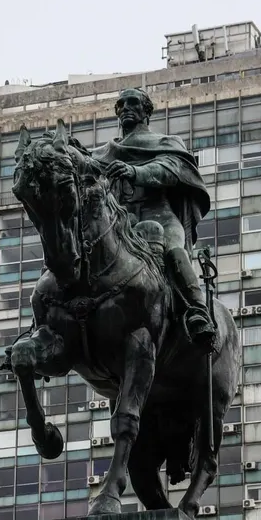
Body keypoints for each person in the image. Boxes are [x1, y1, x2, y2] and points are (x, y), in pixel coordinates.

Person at [91, 88, 216, 347]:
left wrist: (135, 171)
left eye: (133, 103)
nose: (126, 108)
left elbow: (170, 169)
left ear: (146, 111)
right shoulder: (103, 153)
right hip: (121, 220)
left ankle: (197, 310)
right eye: (121, 104)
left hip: (159, 215)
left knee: (173, 252)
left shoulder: (166, 143)